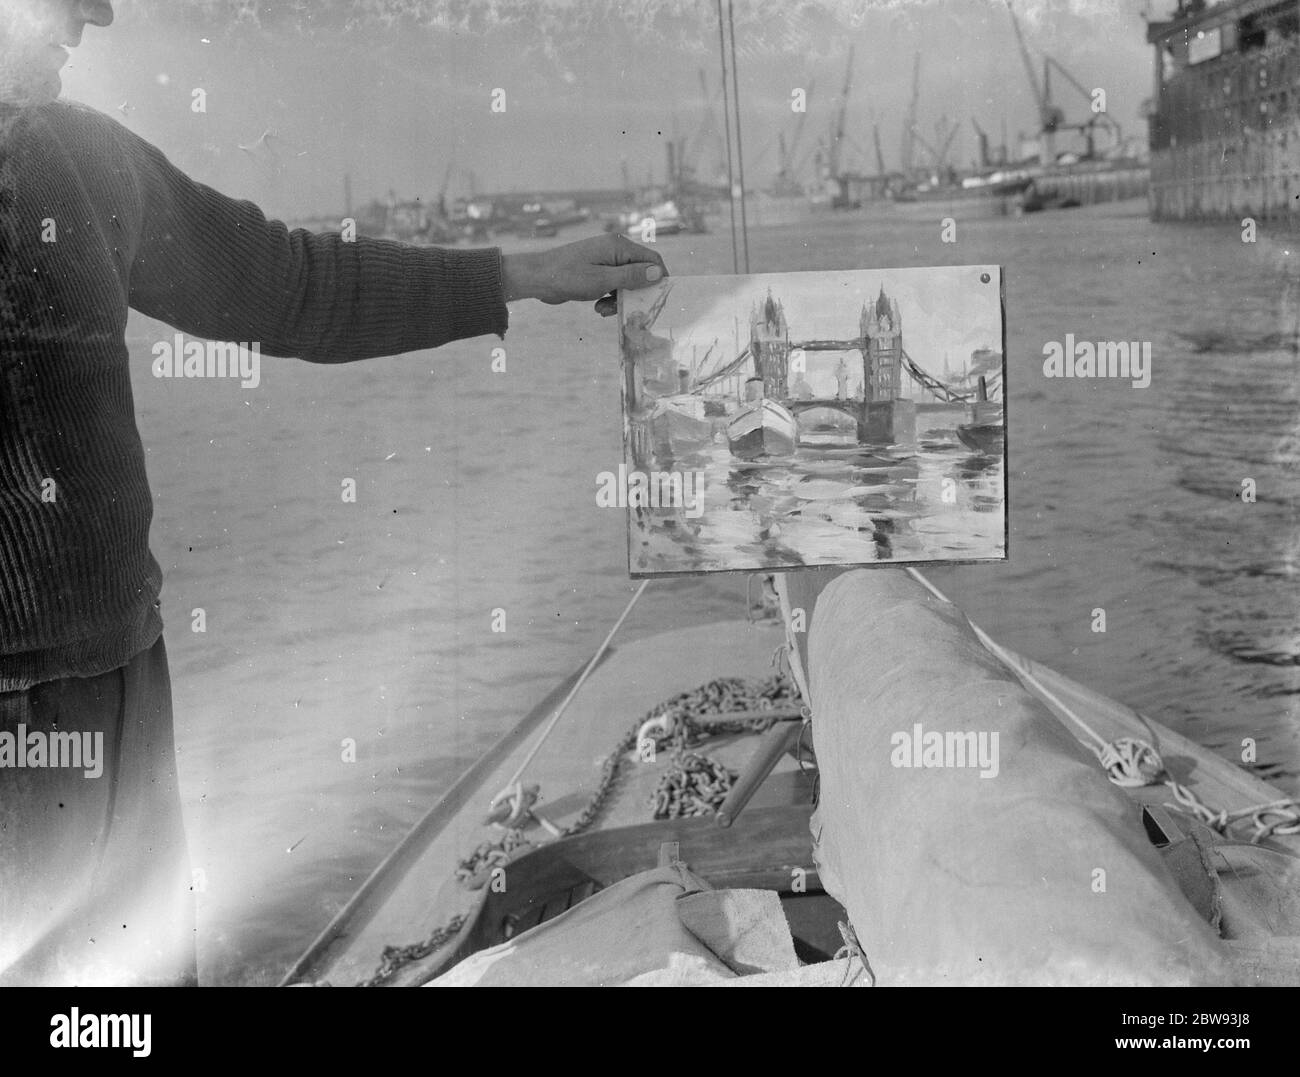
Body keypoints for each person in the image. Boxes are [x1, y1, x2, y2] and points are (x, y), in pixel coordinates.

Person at [0, 0, 667, 986]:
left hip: (121, 670)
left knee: (135, 993)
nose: (88, 23)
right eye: (59, 3)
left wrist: (522, 274)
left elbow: (291, 285)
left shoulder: (84, 156)